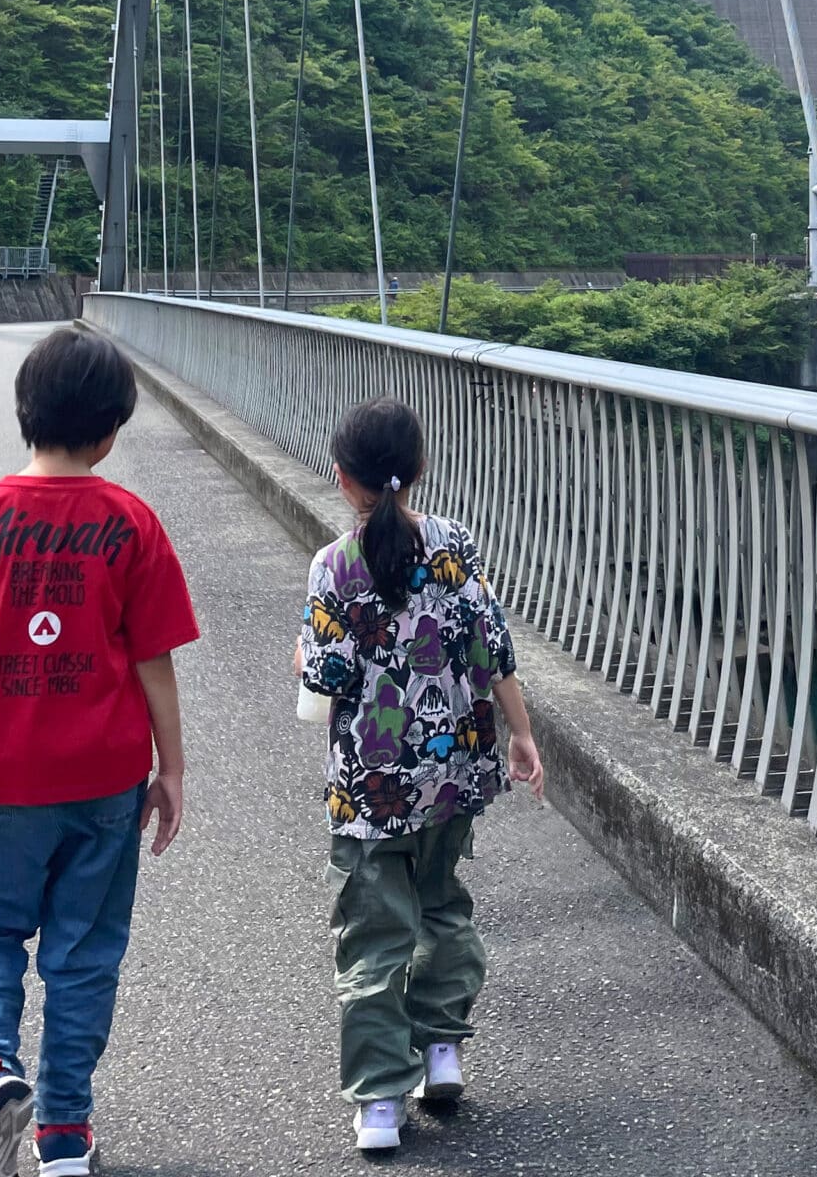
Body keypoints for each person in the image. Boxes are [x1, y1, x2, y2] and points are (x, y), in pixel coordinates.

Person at [0, 328, 200, 1177]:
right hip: (105, 778)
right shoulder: (132, 524)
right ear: (110, 432)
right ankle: (63, 1129)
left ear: (24, 415)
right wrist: (171, 770)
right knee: (83, 952)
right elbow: (154, 662)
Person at [294, 398, 545, 1156]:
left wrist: (304, 656)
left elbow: (329, 679)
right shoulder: (455, 544)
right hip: (453, 771)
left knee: (374, 936)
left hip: (371, 787)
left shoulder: (334, 565)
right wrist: (523, 732)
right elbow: (489, 646)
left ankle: (378, 1099)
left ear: (343, 479)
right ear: (422, 467)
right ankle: (442, 1052)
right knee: (442, 908)